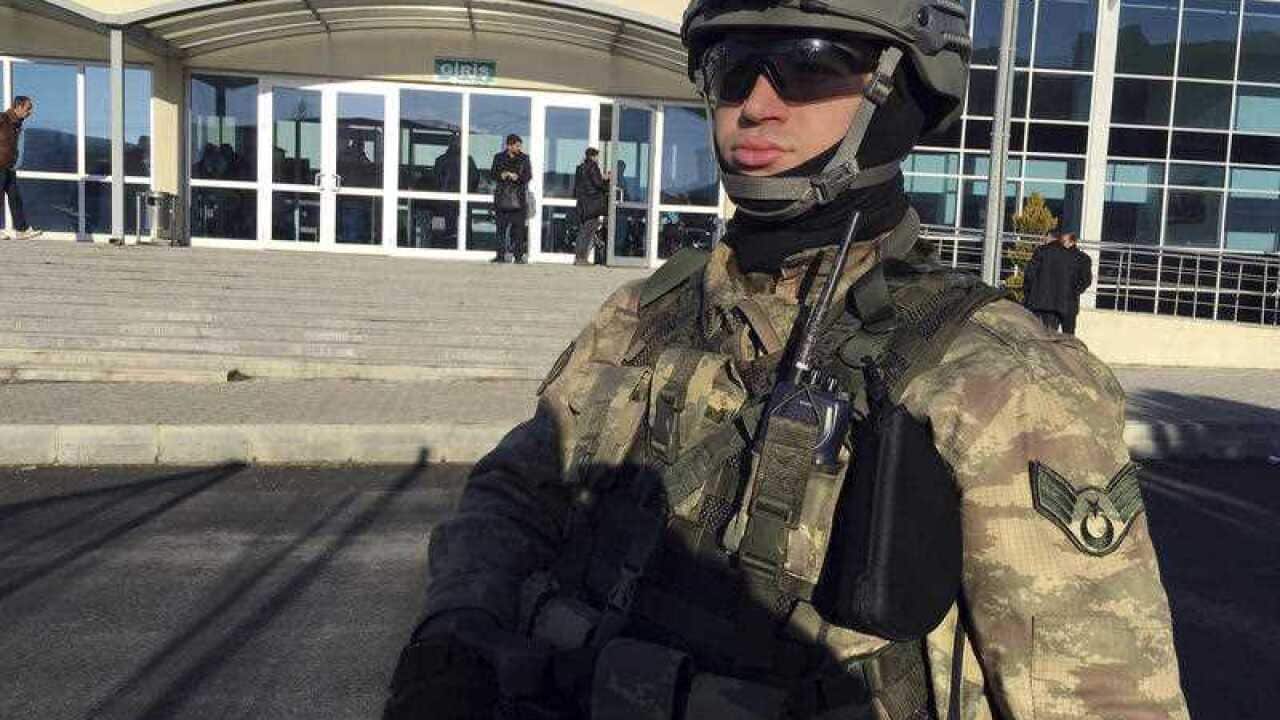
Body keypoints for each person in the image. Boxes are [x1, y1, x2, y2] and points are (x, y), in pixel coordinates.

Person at [385, 1, 1189, 719]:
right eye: (732, 71)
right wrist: (453, 635)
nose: (756, 106)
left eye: (808, 65)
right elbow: (516, 491)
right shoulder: (644, 314)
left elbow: (1104, 698)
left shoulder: (1000, 378)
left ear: (900, 89)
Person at [1024, 231, 1093, 335]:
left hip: (1045, 304)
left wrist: (1030, 293)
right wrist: (1074, 292)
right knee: (1068, 339)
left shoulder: (1042, 252)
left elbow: (1029, 275)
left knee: (1046, 338)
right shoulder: (1082, 258)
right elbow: (1086, 281)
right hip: (1068, 305)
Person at [0, 96, 42, 240]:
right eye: (28, 108)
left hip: (8, 167)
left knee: (15, 198)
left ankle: (22, 230)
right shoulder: (3, 119)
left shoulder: (16, 123)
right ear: (18, 107)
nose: (30, 112)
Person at [491, 133, 532, 263]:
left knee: (519, 231)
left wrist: (518, 177)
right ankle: (500, 256)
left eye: (520, 146)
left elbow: (528, 176)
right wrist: (501, 175)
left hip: (518, 200)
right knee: (501, 230)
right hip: (502, 198)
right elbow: (492, 174)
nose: (519, 148)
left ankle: (518, 257)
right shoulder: (498, 157)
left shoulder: (525, 158)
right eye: (517, 146)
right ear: (509, 146)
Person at [573, 147, 609, 266]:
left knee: (583, 231)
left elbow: (578, 186)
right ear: (593, 156)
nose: (598, 159)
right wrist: (606, 180)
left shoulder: (580, 168)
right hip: (592, 204)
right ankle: (582, 259)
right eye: (597, 156)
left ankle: (578, 257)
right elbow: (597, 184)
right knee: (588, 232)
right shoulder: (593, 166)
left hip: (582, 204)